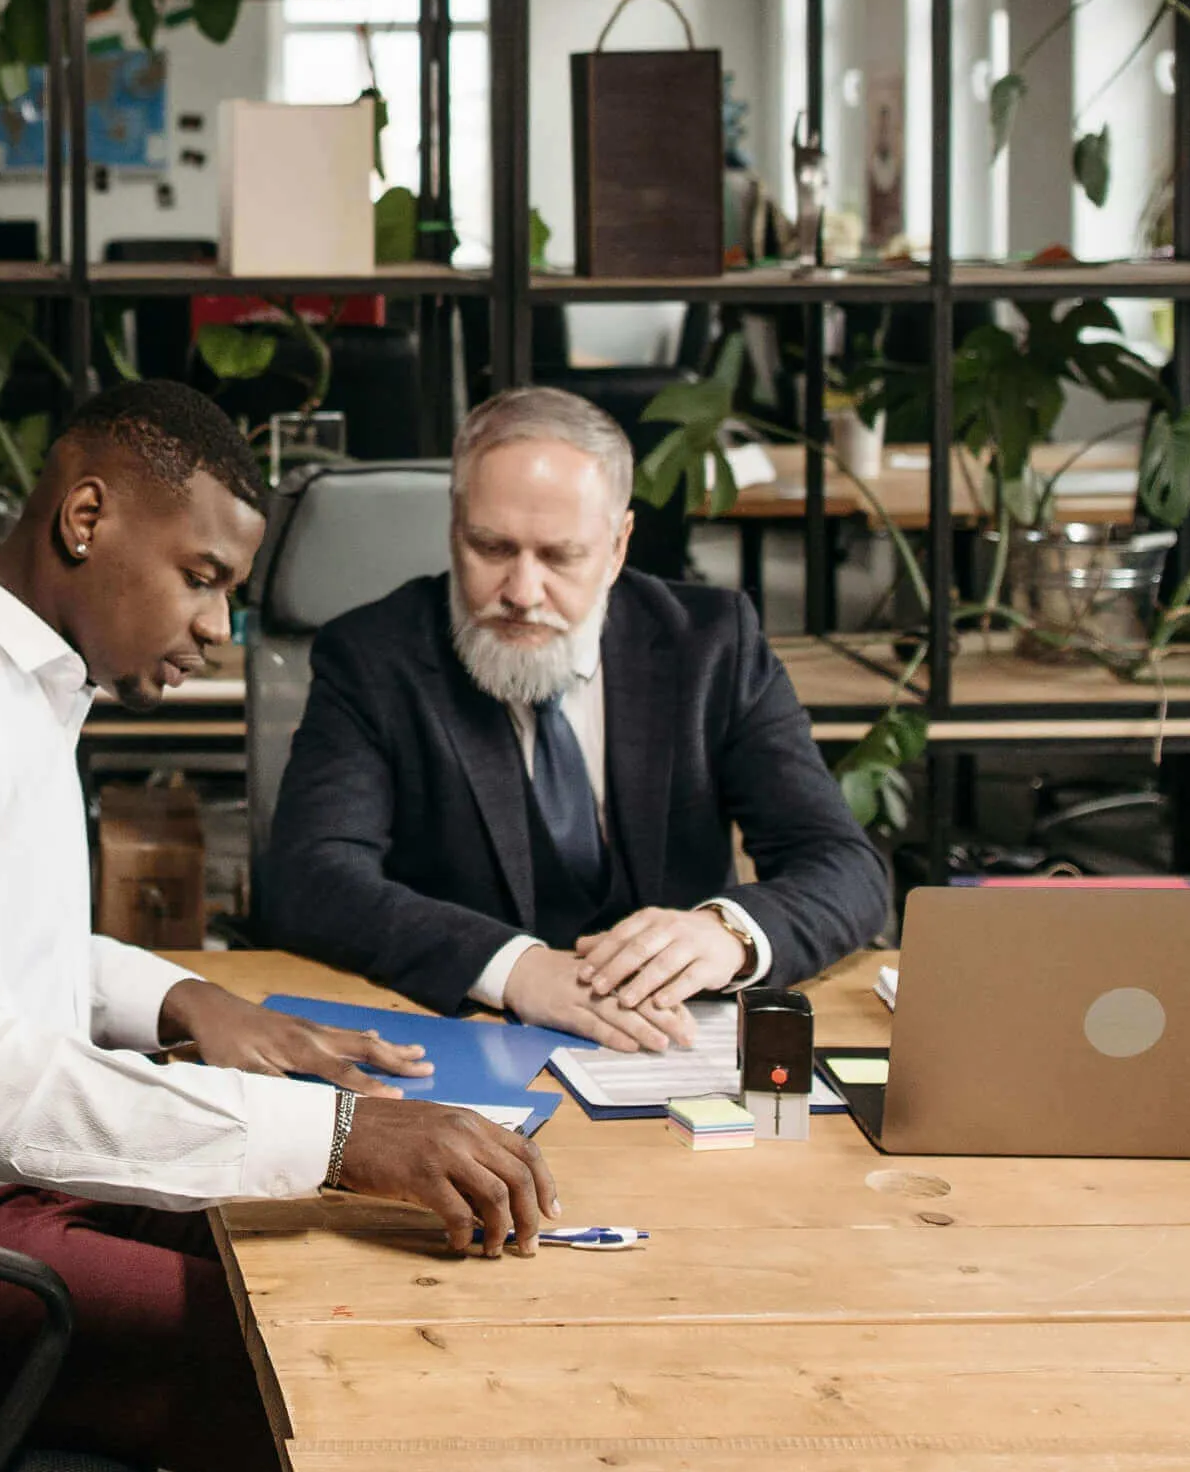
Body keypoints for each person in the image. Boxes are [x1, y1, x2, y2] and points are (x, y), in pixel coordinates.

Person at [0, 381, 559, 1472]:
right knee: (339, 1353)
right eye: (201, 577)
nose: (216, 628)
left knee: (342, 1253)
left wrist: (187, 999)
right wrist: (343, 1136)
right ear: (86, 517)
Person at [261, 384, 887, 1049]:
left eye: (561, 556)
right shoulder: (372, 657)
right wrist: (514, 969)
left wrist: (727, 933)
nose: (522, 593)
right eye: (491, 548)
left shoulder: (712, 646)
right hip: (465, 1038)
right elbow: (310, 876)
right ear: (454, 525)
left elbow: (843, 864)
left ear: (618, 546)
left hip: (669, 1045)